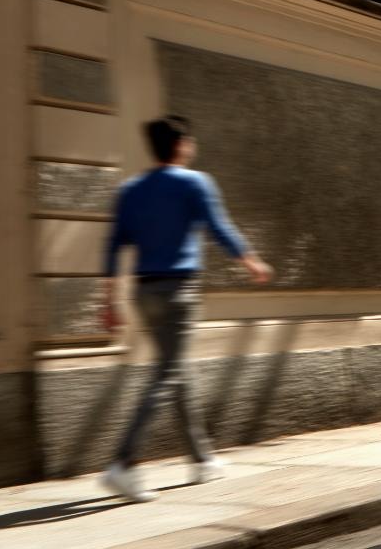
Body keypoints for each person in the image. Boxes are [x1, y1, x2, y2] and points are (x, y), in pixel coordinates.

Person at [99, 116, 272, 503]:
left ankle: (201, 459)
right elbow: (219, 227)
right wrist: (252, 262)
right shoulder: (194, 183)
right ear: (181, 145)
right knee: (167, 375)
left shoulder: (131, 189)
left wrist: (108, 300)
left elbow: (113, 245)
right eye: (189, 140)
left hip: (143, 292)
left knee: (175, 372)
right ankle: (122, 465)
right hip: (178, 291)